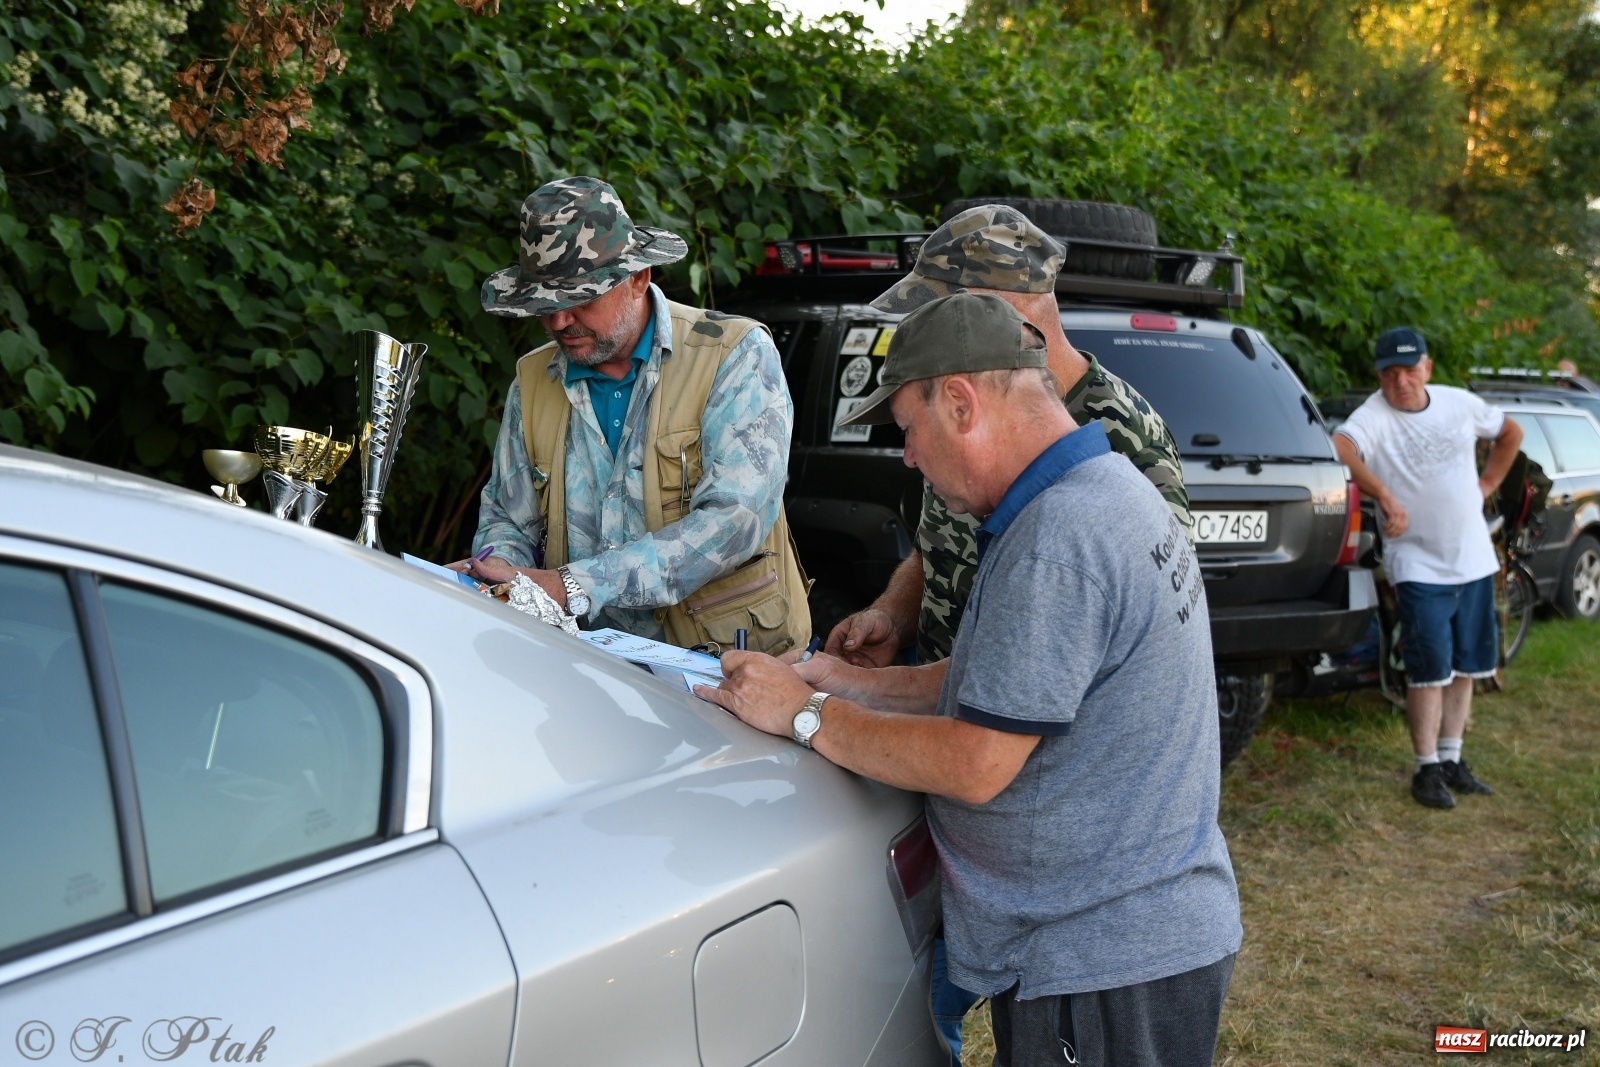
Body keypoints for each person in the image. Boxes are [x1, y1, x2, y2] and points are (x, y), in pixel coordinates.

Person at [700, 292, 1242, 1067]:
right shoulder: (1105, 490)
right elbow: (1007, 681)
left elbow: (977, 760)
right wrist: (842, 681)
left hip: (1102, 961)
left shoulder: (1061, 536)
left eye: (909, 431)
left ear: (959, 401)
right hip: (1136, 935)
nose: (910, 457)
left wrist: (805, 713)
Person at [824, 205, 1191, 669]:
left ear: (997, 312)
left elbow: (1151, 619)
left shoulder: (1126, 435)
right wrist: (891, 617)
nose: (921, 331)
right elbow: (935, 548)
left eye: (938, 310)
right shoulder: (963, 413)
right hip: (943, 705)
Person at [452, 176, 810, 651]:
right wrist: (498, 574)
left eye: (580, 299)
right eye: (545, 305)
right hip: (582, 671)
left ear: (639, 278)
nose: (559, 322)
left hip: (726, 671)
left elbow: (733, 521)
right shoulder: (533, 380)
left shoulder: (732, 354)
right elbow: (506, 518)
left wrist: (570, 587)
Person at [1333, 327, 1523, 809]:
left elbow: (1510, 432)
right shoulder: (1373, 415)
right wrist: (1386, 494)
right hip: (1417, 563)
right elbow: (1342, 447)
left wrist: (1487, 484)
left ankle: (1454, 759)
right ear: (1378, 376)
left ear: (1428, 368)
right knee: (1429, 669)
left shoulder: (1458, 404)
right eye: (1389, 374)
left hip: (1474, 558)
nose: (1401, 382)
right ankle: (1426, 769)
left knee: (1467, 667)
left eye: (1410, 370)